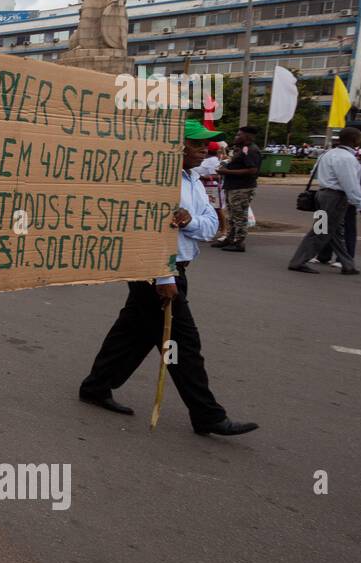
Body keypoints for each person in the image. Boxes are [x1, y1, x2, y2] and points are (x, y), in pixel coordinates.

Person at [79, 119, 258, 437]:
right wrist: (163, 276)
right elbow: (148, 232)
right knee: (183, 344)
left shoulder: (193, 180)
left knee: (133, 334)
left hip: (175, 269)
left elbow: (209, 226)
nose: (206, 150)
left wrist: (189, 222)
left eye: (207, 145)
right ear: (176, 146)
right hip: (158, 271)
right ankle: (207, 414)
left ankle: (96, 386)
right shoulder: (155, 181)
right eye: (197, 144)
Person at [288, 127, 361, 276]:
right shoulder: (347, 158)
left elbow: (314, 173)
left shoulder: (328, 154)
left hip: (322, 195)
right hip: (335, 198)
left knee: (336, 233)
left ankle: (348, 265)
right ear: (354, 140)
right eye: (360, 137)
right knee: (320, 231)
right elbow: (350, 184)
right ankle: (298, 262)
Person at [213, 125, 261, 252]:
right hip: (233, 186)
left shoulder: (251, 150)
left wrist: (227, 172)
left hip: (242, 187)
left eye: (239, 135)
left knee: (239, 216)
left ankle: (239, 242)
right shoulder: (242, 149)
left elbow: (252, 170)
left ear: (247, 137)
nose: (236, 136)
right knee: (232, 215)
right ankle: (230, 239)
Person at [194, 142, 225, 239]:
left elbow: (217, 176)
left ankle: (223, 230)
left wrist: (201, 177)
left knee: (216, 209)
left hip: (211, 187)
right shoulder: (207, 159)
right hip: (203, 187)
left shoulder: (213, 160)